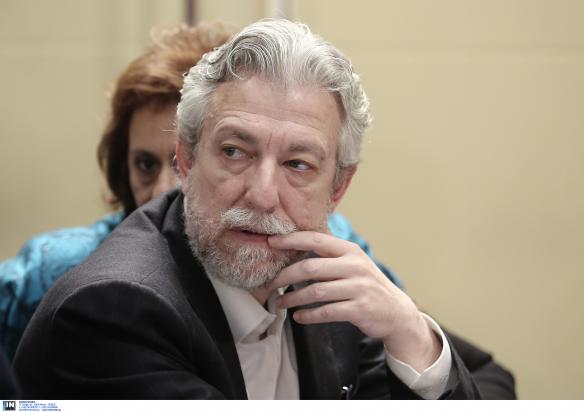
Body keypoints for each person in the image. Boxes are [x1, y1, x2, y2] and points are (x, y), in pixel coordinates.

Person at [13, 19, 514, 399]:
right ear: (186, 159)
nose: (262, 194)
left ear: (338, 188)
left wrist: (412, 335)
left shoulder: (327, 285)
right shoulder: (113, 310)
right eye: (235, 151)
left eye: (298, 164)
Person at [0, 22, 399, 362]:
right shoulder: (64, 270)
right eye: (146, 164)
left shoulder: (327, 250)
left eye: (295, 163)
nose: (166, 186)